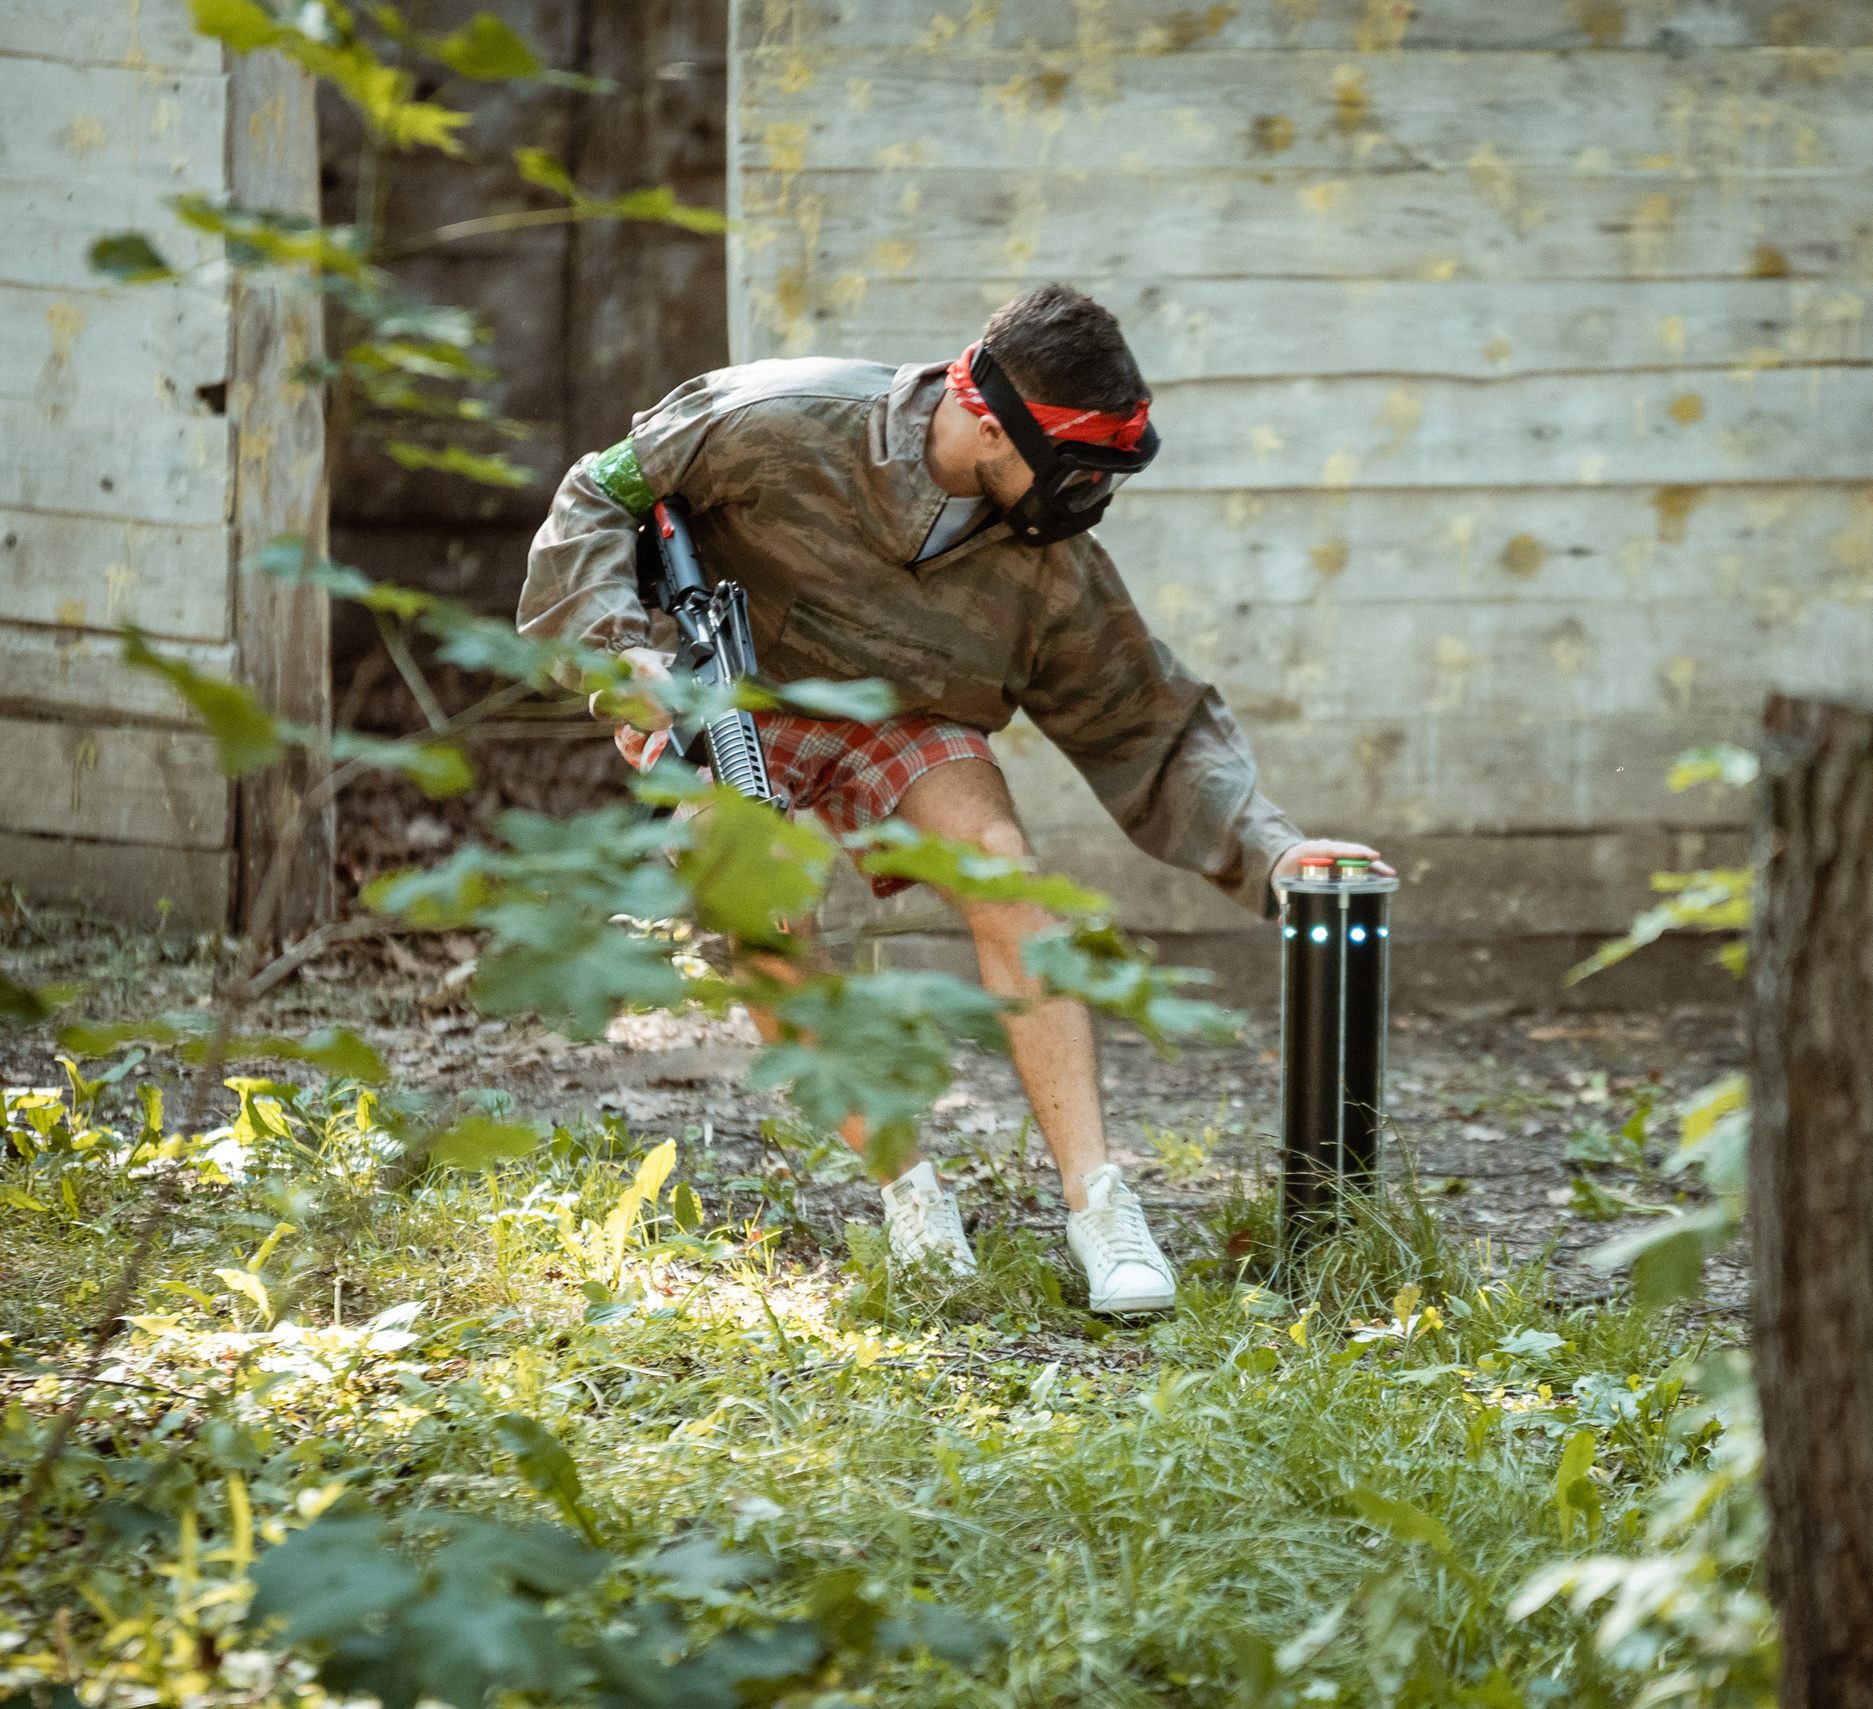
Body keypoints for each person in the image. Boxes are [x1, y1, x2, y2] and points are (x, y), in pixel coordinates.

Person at [518, 282, 1388, 1314]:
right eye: (1072, 464)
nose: (1085, 495)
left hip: (910, 717)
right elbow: (599, 489)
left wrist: (1278, 852)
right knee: (742, 896)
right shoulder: (778, 416)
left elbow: (1149, 721)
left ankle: (1099, 1204)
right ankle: (909, 1189)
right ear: (985, 410)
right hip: (741, 695)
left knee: (1002, 865)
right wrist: (622, 653)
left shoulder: (1049, 562)